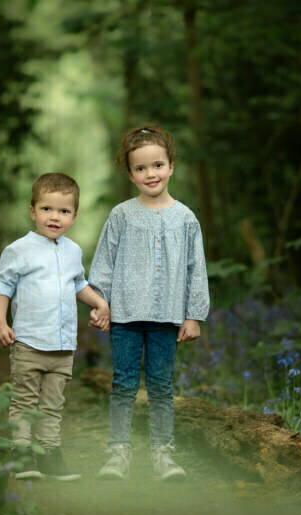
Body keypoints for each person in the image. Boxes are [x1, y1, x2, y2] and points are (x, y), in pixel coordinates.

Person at [89, 125, 210, 481]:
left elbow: (195, 269)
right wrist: (100, 304)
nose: (150, 174)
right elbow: (104, 264)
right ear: (130, 174)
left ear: (171, 166)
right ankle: (118, 453)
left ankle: (162, 453)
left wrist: (194, 315)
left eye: (157, 165)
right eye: (140, 168)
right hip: (125, 315)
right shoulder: (121, 215)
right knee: (124, 384)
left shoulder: (186, 218)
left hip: (168, 316)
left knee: (161, 386)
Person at [0, 172, 110, 481]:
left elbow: (78, 284)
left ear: (74, 216)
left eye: (63, 211)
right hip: (29, 341)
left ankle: (49, 454)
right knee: (26, 400)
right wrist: (1, 323)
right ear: (33, 211)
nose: (54, 217)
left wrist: (99, 303)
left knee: (53, 404)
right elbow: (2, 288)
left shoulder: (72, 251)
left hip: (63, 346)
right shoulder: (19, 250)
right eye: (47, 209)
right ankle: (21, 453)